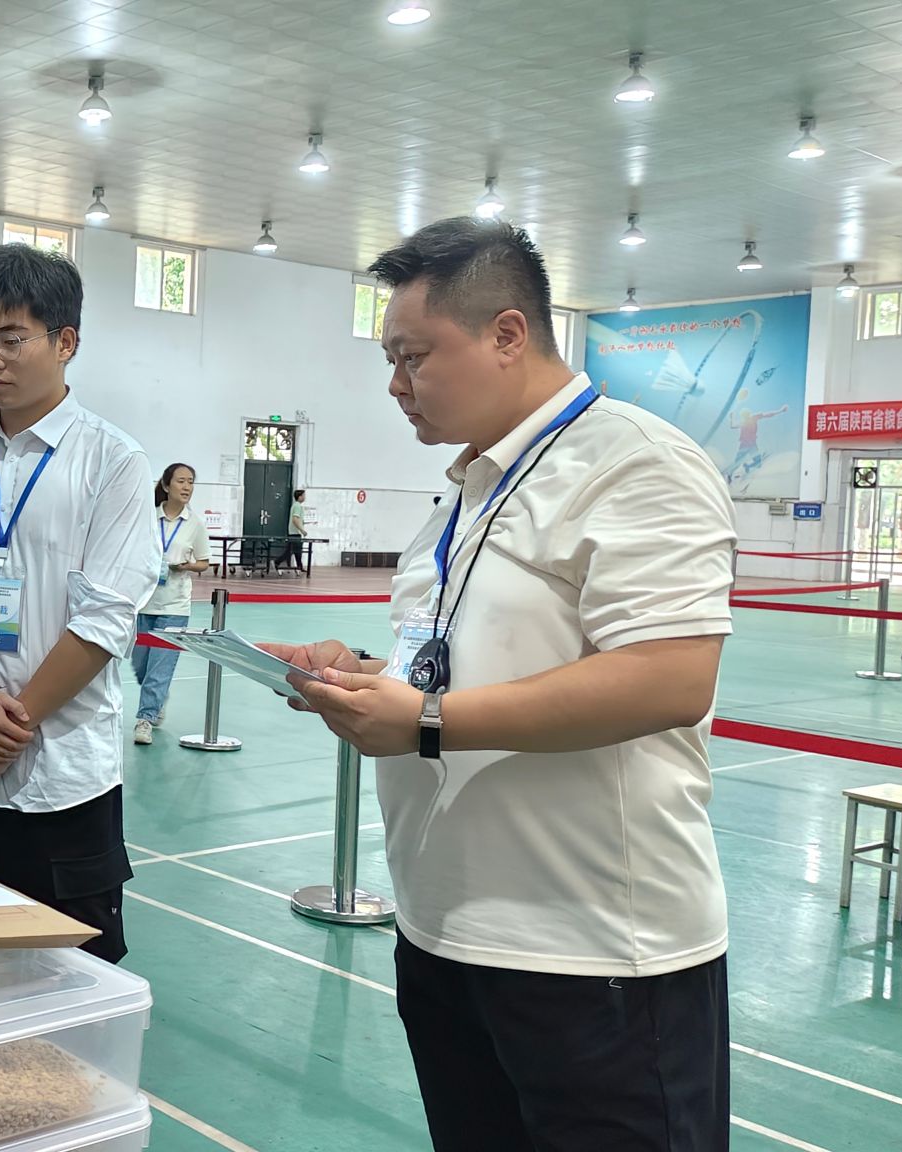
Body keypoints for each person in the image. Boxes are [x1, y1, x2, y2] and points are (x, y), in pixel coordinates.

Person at [263, 218, 737, 1151]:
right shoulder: (470, 490)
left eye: (413, 357)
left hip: (595, 959)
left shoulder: (637, 463)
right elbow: (456, 663)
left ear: (508, 335)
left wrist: (427, 721)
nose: (396, 384)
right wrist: (363, 679)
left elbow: (670, 678)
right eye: (390, 360)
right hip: (446, 936)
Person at [0, 243, 160, 963]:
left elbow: (105, 617)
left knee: (65, 981)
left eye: (11, 340)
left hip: (59, 782)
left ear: (65, 341)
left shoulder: (113, 462)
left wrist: (10, 724)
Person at [133, 463, 209, 745]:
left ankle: (145, 719)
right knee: (141, 667)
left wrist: (185, 566)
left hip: (175, 608)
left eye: (191, 482)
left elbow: (204, 562)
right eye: (181, 481)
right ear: (166, 486)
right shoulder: (147, 518)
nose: (187, 487)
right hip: (143, 604)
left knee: (160, 667)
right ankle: (157, 697)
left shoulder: (195, 524)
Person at [725, 404, 789, 486]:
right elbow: (733, 426)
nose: (746, 416)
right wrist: (731, 418)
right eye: (744, 415)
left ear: (748, 414)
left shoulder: (753, 418)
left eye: (746, 415)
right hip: (745, 445)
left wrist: (780, 411)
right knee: (739, 462)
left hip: (751, 445)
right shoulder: (744, 421)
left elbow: (768, 415)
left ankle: (747, 466)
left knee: (758, 463)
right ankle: (730, 475)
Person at [279, 489, 308, 574]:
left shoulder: (296, 506)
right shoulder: (297, 506)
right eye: (304, 495)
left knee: (297, 551)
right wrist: (302, 530)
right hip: (295, 533)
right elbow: (295, 520)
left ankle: (299, 566)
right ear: (299, 497)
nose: (305, 497)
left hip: (295, 532)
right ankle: (277, 561)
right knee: (290, 551)